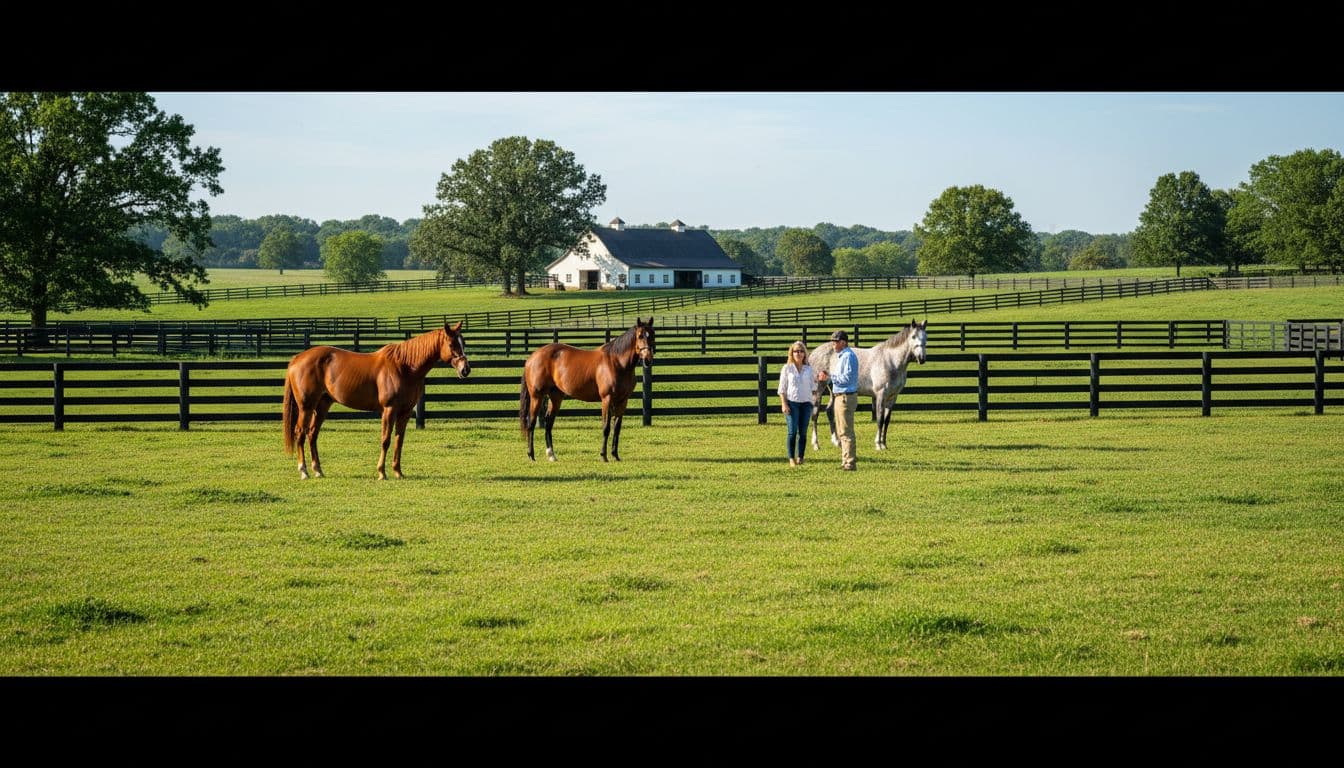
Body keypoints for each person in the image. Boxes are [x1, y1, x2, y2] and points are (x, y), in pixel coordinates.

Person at [818, 329, 858, 470]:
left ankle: (850, 463)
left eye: (835, 341)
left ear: (843, 342)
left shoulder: (848, 356)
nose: (833, 344)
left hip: (845, 396)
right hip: (841, 396)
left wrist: (830, 378)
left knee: (846, 431)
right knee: (842, 431)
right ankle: (845, 461)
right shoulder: (843, 356)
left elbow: (846, 378)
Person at [777, 340, 816, 467]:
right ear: (791, 353)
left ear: (804, 354)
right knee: (792, 431)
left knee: (803, 432)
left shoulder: (809, 369)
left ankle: (801, 457)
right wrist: (784, 404)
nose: (798, 353)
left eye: (801, 351)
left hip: (806, 403)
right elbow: (782, 388)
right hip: (792, 403)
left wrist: (814, 402)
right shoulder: (787, 368)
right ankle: (791, 458)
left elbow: (814, 387)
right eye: (796, 351)